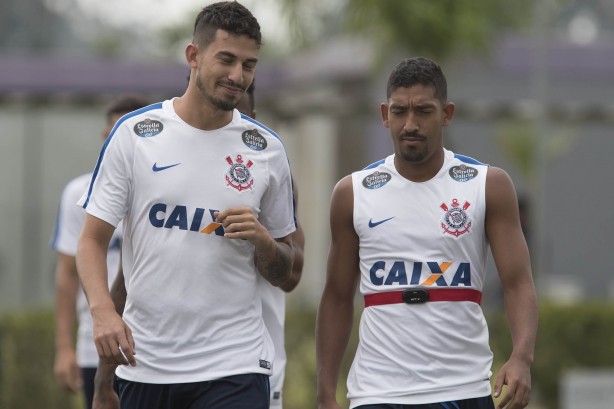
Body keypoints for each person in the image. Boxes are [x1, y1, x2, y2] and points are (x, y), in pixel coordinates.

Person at [76, 2, 296, 409]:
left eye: (248, 65)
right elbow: (91, 240)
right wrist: (103, 313)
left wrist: (264, 242)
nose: (237, 76)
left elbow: (289, 271)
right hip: (148, 363)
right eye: (226, 60)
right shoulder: (134, 135)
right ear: (193, 56)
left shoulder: (266, 149)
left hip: (236, 364)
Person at [315, 57, 538, 409]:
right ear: (385, 114)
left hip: (462, 387)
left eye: (423, 111)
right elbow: (337, 297)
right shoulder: (353, 193)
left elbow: (518, 283)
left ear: (446, 113)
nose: (410, 124)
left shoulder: (487, 185)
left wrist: (522, 358)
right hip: (377, 392)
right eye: (400, 112)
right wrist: (325, 392)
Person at [50, 96, 149, 409]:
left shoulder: (171, 193)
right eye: (117, 133)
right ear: (106, 136)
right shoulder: (80, 193)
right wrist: (65, 348)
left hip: (153, 348)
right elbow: (66, 275)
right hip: (97, 344)